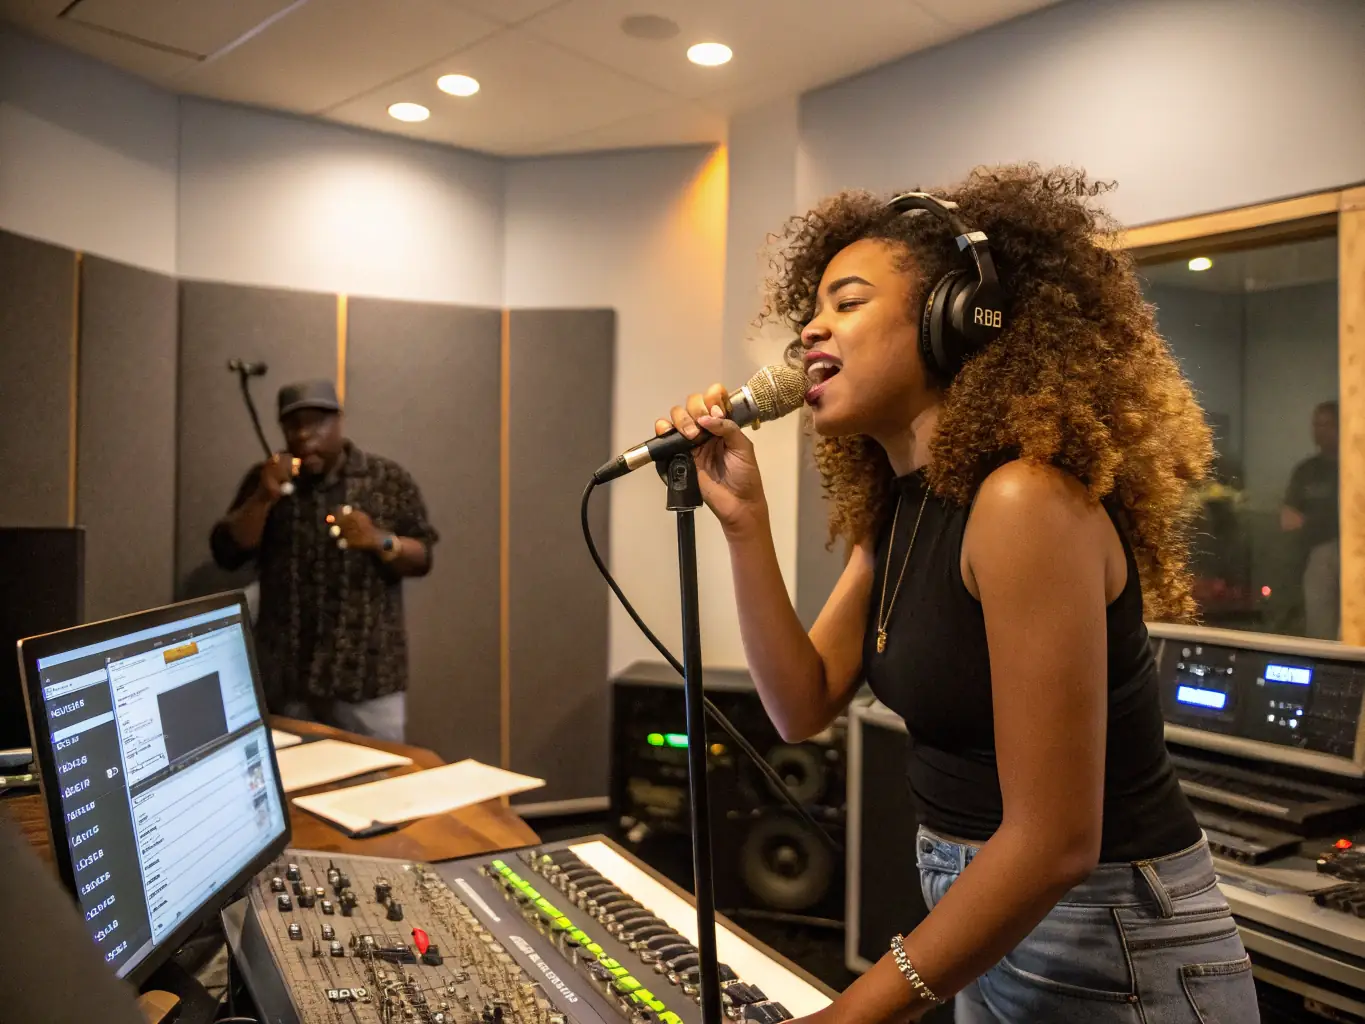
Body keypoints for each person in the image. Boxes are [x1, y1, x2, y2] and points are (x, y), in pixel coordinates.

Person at [659, 166, 1257, 1022]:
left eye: (847, 302)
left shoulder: (1023, 501)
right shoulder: (900, 511)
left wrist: (844, 1016)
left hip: (1108, 934)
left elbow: (1054, 844)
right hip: (990, 917)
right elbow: (800, 705)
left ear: (956, 318)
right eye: (810, 312)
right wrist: (744, 523)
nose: (810, 330)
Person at [211, 380, 437, 742]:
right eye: (293, 425)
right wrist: (264, 497)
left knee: (382, 775)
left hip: (366, 680)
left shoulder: (385, 478)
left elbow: (423, 557)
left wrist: (379, 539)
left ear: (338, 421)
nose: (304, 435)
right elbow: (228, 552)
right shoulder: (265, 479)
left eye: (316, 423)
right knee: (294, 774)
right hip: (286, 684)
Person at [1281, 400, 1340, 640]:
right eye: (1316, 424)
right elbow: (1288, 519)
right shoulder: (1306, 470)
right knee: (1320, 631)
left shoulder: (1356, 467)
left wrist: (1310, 521)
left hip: (1355, 555)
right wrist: (1325, 522)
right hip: (1314, 558)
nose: (1320, 430)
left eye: (1327, 424)